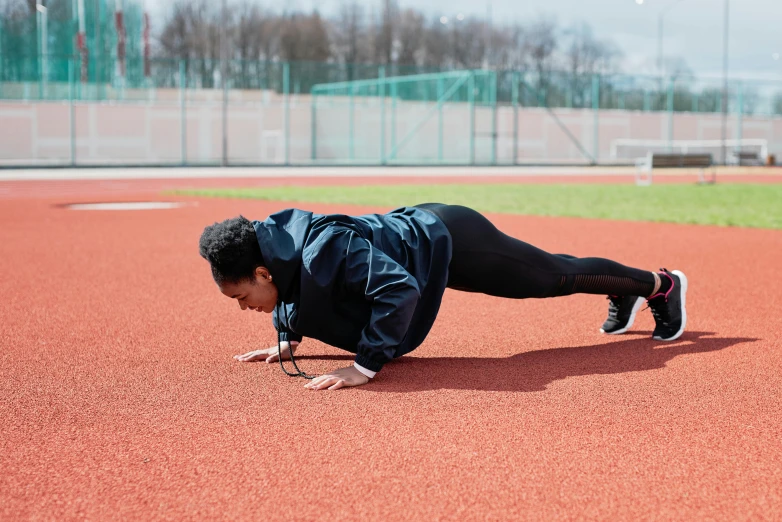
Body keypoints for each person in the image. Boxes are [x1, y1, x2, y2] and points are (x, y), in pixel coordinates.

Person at [198, 203, 687, 391]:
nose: (245, 308)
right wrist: (287, 337)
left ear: (262, 271)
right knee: (554, 276)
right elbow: (298, 290)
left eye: (242, 296)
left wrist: (364, 365)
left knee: (553, 277)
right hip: (417, 247)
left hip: (448, 239)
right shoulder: (277, 252)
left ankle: (659, 285)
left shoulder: (324, 247)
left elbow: (397, 288)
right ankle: (628, 300)